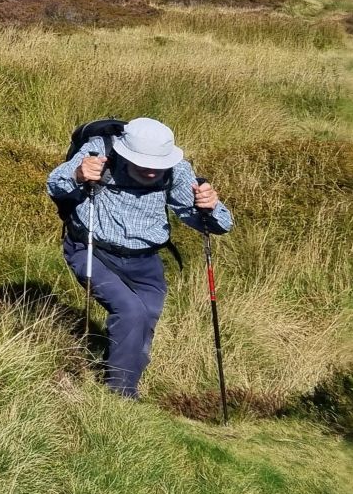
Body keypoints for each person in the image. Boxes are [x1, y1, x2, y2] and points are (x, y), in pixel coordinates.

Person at [46, 117, 232, 398]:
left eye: (156, 165)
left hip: (145, 261)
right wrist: (79, 176)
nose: (150, 170)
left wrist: (210, 207)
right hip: (91, 250)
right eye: (142, 163)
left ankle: (122, 380)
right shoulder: (99, 152)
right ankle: (122, 396)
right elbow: (54, 185)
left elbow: (213, 223)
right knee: (130, 312)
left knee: (146, 318)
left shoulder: (177, 170)